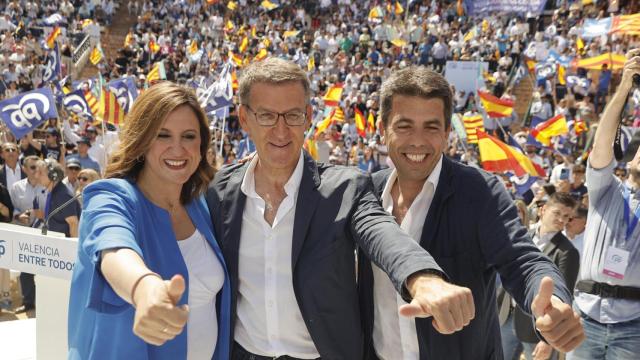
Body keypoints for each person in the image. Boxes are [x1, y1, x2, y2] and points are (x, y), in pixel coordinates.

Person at [205, 58, 474, 360]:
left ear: (308, 116)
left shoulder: (344, 187)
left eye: (293, 115)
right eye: (267, 116)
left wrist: (422, 278)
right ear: (244, 119)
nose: (281, 131)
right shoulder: (219, 190)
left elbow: (383, 234)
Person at [362, 67, 584, 359]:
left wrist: (551, 301)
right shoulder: (365, 194)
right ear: (382, 127)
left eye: (431, 127)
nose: (417, 140)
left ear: (446, 133)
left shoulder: (480, 191)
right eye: (404, 126)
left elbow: (521, 260)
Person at [68, 82, 231, 359]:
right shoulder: (109, 197)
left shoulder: (199, 203)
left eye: (189, 136)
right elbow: (115, 249)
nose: (178, 149)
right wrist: (143, 287)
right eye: (163, 135)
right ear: (142, 142)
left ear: (202, 144)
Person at [567, 49, 640, 360]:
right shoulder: (607, 190)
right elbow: (600, 145)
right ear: (631, 158)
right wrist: (625, 85)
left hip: (633, 326)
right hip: (585, 315)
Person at [514, 192, 580, 360]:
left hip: (538, 329)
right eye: (557, 213)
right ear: (543, 210)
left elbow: (564, 296)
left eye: (566, 216)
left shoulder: (568, 252)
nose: (561, 220)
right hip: (506, 317)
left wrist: (548, 340)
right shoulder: (523, 235)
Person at [33, 159, 80, 237]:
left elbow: (74, 224)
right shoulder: (52, 192)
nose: (36, 176)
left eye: (40, 173)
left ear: (53, 176)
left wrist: (72, 248)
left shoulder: (63, 196)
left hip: (64, 245)